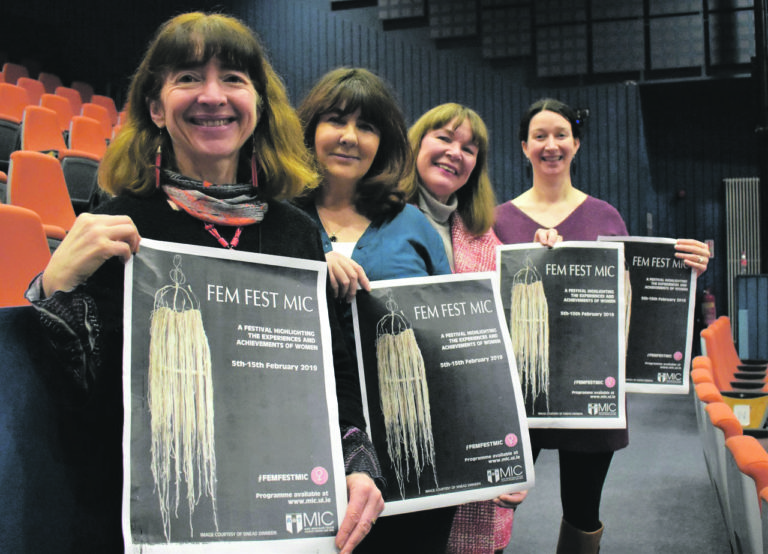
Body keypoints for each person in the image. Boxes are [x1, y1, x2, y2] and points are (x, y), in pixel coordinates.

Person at [24, 13, 382, 553]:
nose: (212, 96)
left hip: (280, 522)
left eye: (233, 78)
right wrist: (53, 288)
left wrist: (356, 463)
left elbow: (335, 377)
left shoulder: (297, 233)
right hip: (154, 523)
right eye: (188, 77)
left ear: (258, 104)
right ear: (155, 107)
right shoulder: (116, 225)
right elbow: (69, 402)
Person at [494, 98, 710, 553]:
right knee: (490, 512)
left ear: (576, 144)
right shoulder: (497, 220)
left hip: (590, 394)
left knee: (582, 511)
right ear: (523, 146)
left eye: (561, 135)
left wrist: (686, 269)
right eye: (539, 136)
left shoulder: (606, 217)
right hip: (518, 393)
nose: (551, 145)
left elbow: (636, 301)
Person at [294, 67, 454, 553]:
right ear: (310, 130)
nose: (350, 136)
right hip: (307, 448)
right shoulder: (279, 221)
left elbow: (449, 337)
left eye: (366, 126)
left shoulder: (416, 225)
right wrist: (311, 263)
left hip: (410, 444)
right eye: (336, 120)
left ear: (382, 142)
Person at [402, 102, 527, 554]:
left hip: (466, 423)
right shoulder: (374, 217)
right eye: (444, 138)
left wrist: (509, 458)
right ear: (416, 143)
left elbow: (504, 353)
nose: (456, 152)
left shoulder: (484, 237)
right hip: (400, 418)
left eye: (469, 148)